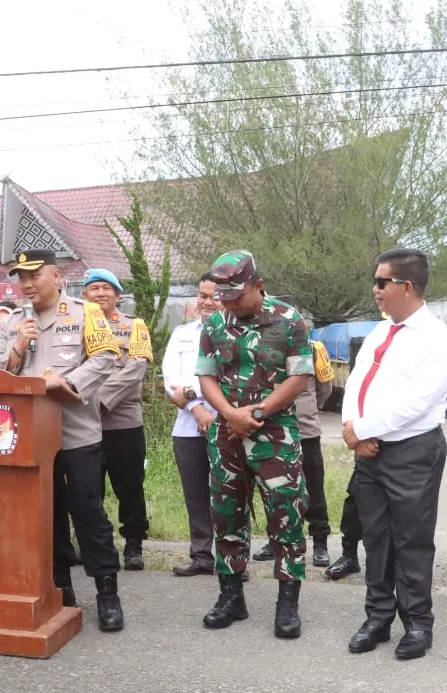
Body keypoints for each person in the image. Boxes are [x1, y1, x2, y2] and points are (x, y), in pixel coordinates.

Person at [0, 249, 126, 632]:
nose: (27, 284)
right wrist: (16, 348)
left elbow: (106, 357)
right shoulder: (13, 321)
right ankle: (60, 590)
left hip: (75, 435)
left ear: (56, 276)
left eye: (35, 275)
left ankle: (107, 593)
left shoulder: (85, 313)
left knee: (88, 514)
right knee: (45, 517)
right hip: (29, 440)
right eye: (21, 278)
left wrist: (66, 384)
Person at [342, 248, 447, 660]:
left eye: (381, 282)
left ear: (406, 286)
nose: (374, 290)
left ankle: (418, 625)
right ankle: (377, 617)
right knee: (376, 537)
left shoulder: (437, 338)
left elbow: (421, 401)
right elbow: (357, 382)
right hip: (370, 449)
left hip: (411, 451)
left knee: (412, 540)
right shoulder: (379, 331)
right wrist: (353, 430)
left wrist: (365, 429)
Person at [197, 250, 313, 639]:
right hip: (226, 434)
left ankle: (287, 601)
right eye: (222, 296)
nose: (227, 303)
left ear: (258, 286)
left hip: (275, 434)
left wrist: (256, 415)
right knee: (226, 513)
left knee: (286, 515)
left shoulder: (289, 321)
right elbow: (206, 377)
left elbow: (299, 378)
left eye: (236, 295)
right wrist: (231, 415)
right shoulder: (214, 323)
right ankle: (231, 595)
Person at [83, 269, 153, 571]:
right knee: (89, 489)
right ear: (85, 295)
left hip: (123, 423)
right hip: (84, 426)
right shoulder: (76, 327)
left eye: (106, 289)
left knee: (130, 487)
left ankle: (134, 544)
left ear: (117, 295)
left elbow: (136, 370)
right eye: (94, 288)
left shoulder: (135, 326)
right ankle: (97, 546)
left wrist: (94, 401)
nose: (100, 294)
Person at [254, 321, 335, 567]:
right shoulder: (260, 348)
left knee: (314, 488)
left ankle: (319, 542)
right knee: (273, 490)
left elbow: (325, 388)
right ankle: (275, 539)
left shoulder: (314, 348)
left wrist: (308, 409)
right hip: (273, 430)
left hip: (305, 431)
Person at [163, 274, 222, 577]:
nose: (207, 301)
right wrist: (197, 407)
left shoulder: (237, 334)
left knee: (230, 494)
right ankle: (201, 556)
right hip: (187, 427)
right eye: (202, 295)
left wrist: (211, 411)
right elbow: (170, 380)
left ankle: (232, 558)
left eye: (214, 296)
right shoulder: (182, 334)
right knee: (196, 494)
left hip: (227, 425)